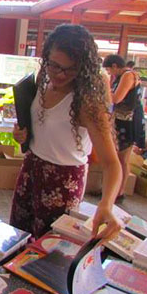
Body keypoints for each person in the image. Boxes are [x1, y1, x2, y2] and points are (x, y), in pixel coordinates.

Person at [11, 24, 121, 239]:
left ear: (83, 67)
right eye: (54, 65)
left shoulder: (87, 103)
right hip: (31, 169)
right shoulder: (44, 80)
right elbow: (41, 128)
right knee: (18, 241)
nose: (60, 74)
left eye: (70, 68)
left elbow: (112, 163)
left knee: (48, 252)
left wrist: (106, 204)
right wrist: (22, 135)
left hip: (63, 183)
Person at [102, 54, 145, 203]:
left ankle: (119, 192)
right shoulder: (122, 76)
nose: (109, 73)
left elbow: (116, 98)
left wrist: (105, 84)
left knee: (122, 159)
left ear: (115, 66)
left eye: (109, 69)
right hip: (121, 120)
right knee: (118, 158)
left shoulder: (127, 75)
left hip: (128, 121)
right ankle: (114, 190)